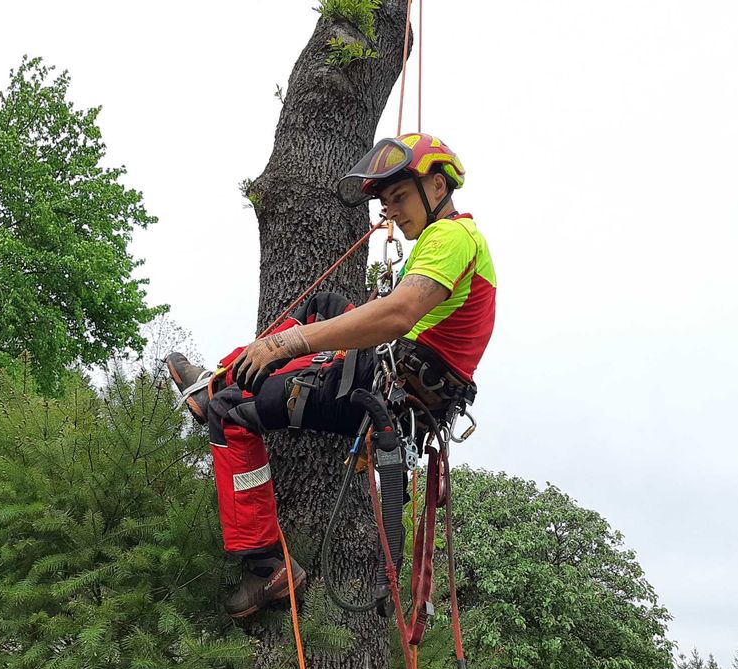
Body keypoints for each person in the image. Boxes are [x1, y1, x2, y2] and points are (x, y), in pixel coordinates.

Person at [166, 133, 496, 617]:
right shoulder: (447, 240)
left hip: (385, 387)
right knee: (322, 306)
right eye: (386, 203)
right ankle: (216, 379)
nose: (391, 212)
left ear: (438, 186)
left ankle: (267, 565)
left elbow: (399, 313)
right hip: (391, 378)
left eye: (399, 197)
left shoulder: (451, 237)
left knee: (229, 412)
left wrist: (291, 343)